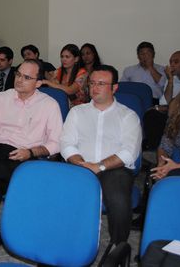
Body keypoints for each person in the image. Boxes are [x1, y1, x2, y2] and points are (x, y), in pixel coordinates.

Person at [0, 59, 62, 237]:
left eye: (27, 77)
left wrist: (31, 152)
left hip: (24, 156)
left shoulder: (49, 105)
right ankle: (17, 189)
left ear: (38, 83)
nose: (19, 80)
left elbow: (56, 143)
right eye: (18, 74)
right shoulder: (1, 98)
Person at [60, 65, 142, 244]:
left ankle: (118, 247)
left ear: (114, 88)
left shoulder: (128, 116)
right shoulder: (77, 112)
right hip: (80, 166)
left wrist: (99, 166)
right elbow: (66, 143)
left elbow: (129, 152)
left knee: (118, 199)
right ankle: (64, 242)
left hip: (114, 169)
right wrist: (82, 164)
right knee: (57, 193)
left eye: (101, 84)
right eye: (92, 83)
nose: (95, 88)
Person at [142, 50, 180, 150]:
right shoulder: (173, 78)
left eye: (176, 62)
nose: (172, 65)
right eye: (171, 62)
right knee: (151, 115)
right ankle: (154, 150)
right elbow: (164, 102)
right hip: (171, 111)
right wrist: (170, 80)